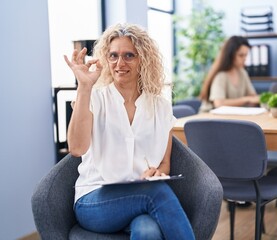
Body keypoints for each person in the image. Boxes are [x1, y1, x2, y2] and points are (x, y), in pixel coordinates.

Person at [64, 23, 195, 239]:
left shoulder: (160, 106)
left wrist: (157, 173)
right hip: (94, 201)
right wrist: (84, 87)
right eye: (113, 56)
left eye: (129, 56)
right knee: (157, 193)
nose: (119, 63)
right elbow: (76, 148)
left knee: (148, 230)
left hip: (141, 198)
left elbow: (164, 162)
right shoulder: (94, 98)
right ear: (106, 59)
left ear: (143, 59)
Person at [199, 36, 259, 112]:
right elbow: (219, 103)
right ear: (230, 55)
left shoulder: (242, 72)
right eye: (241, 55)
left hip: (230, 117)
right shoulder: (221, 75)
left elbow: (253, 97)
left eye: (246, 55)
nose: (244, 59)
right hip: (208, 118)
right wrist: (246, 100)